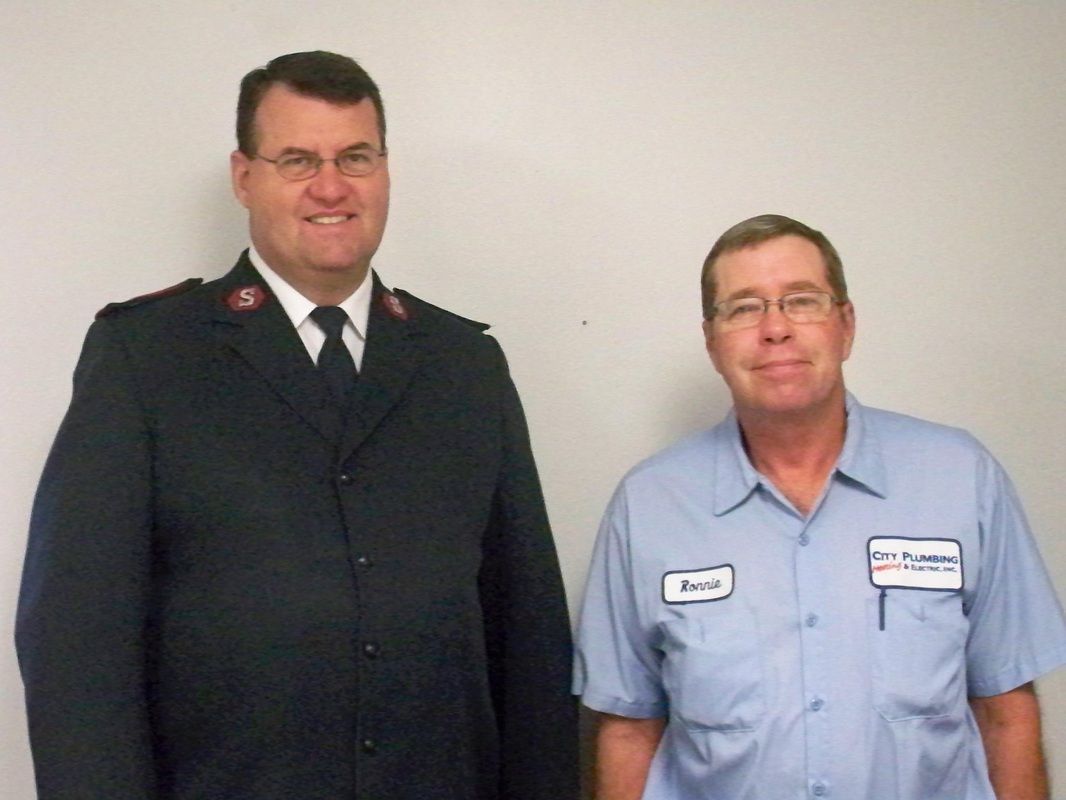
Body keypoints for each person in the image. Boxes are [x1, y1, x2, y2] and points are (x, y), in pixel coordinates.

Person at [17, 50, 576, 800]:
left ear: (385, 170)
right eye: (297, 160)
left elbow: (529, 635)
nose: (331, 186)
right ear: (244, 177)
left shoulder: (463, 365)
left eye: (356, 157)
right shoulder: (146, 357)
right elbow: (76, 645)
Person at [573, 213, 1066, 800]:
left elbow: (1007, 713)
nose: (775, 329)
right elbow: (628, 731)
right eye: (744, 308)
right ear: (712, 341)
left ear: (846, 325)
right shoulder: (649, 506)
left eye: (801, 301)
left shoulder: (961, 479)